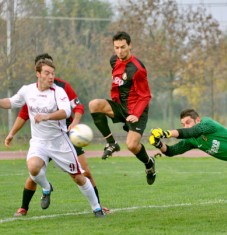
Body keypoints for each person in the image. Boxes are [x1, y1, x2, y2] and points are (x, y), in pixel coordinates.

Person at [5, 53, 109, 217]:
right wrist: (11, 133)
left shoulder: (59, 90)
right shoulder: (28, 90)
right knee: (33, 169)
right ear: (37, 73)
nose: (51, 76)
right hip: (39, 142)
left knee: (79, 177)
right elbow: (12, 104)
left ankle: (97, 208)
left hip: (60, 142)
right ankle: (45, 189)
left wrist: (49, 117)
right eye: (47, 72)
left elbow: (67, 110)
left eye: (52, 72)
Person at [89, 31, 156, 185]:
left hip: (136, 110)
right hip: (120, 106)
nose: (119, 51)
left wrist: (137, 114)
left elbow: (145, 96)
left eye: (123, 47)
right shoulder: (113, 60)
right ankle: (111, 143)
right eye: (116, 47)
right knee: (94, 104)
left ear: (130, 46)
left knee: (132, 146)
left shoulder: (137, 69)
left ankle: (149, 164)